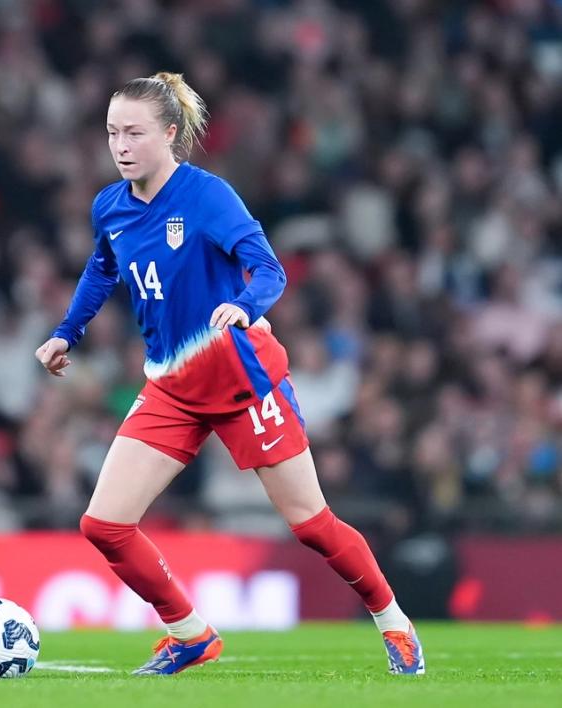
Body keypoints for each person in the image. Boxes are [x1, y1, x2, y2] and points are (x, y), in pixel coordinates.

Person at [35, 72, 425, 676]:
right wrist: (67, 331)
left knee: (312, 525)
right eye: (113, 132)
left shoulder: (207, 197)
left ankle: (393, 621)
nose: (121, 145)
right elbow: (101, 268)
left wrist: (245, 305)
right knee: (104, 525)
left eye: (134, 133)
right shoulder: (109, 206)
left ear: (170, 134)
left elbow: (269, 269)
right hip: (171, 386)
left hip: (243, 383)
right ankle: (189, 633)